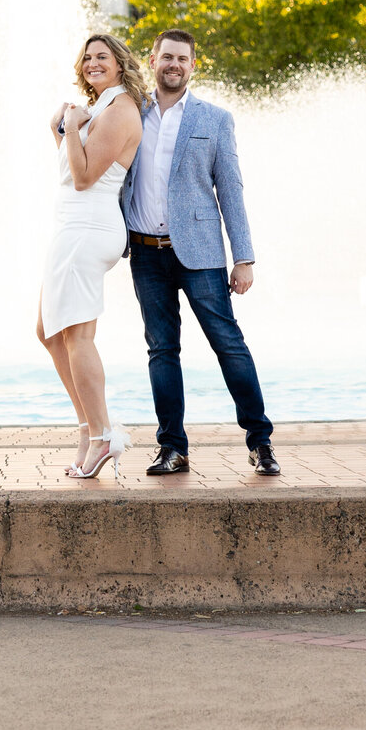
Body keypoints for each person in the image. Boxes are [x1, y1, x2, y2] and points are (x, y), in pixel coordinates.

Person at [122, 29, 279, 477]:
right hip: (146, 253)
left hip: (203, 255)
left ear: (193, 65)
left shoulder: (215, 119)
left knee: (229, 346)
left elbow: (231, 189)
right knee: (161, 350)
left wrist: (243, 257)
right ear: (152, 60)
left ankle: (260, 443)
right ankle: (172, 448)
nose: (174, 64)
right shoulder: (131, 113)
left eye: (182, 59)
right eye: (166, 57)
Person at [37, 32, 145, 481]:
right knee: (48, 330)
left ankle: (101, 436)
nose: (92, 63)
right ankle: (88, 427)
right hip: (73, 227)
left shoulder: (120, 111)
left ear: (120, 64)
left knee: (77, 336)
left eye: (102, 57)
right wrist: (59, 129)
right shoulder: (100, 107)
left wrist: (74, 126)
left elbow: (83, 178)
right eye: (87, 58)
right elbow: (70, 167)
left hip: (89, 228)